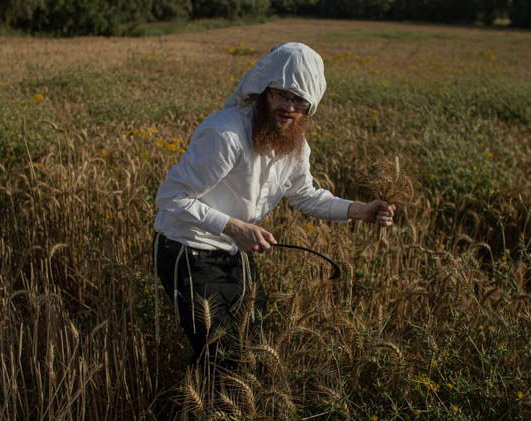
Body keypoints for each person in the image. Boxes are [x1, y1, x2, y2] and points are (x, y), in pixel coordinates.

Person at [152, 42, 395, 369]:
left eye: (299, 100)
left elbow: (304, 195)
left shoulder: (295, 145)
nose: (289, 107)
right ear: (263, 91)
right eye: (282, 94)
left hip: (234, 248)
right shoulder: (225, 134)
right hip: (188, 247)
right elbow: (170, 197)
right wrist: (233, 227)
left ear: (310, 106)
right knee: (223, 356)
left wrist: (359, 210)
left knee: (253, 341)